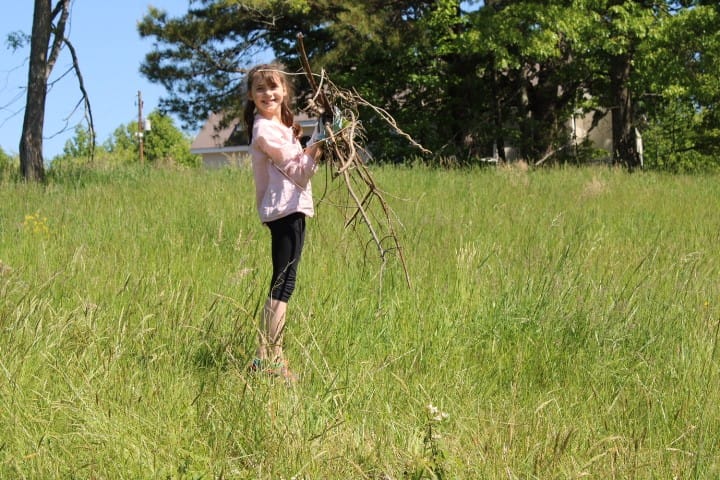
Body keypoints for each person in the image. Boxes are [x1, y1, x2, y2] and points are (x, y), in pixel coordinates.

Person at [243, 63, 322, 382]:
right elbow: (299, 171)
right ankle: (272, 359)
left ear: (285, 91)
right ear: (251, 95)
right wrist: (323, 142)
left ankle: (264, 358)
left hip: (290, 209)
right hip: (284, 210)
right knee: (283, 284)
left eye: (273, 87)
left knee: (282, 281)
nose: (268, 94)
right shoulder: (265, 131)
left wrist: (319, 138)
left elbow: (298, 163)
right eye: (260, 89)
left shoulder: (281, 126)